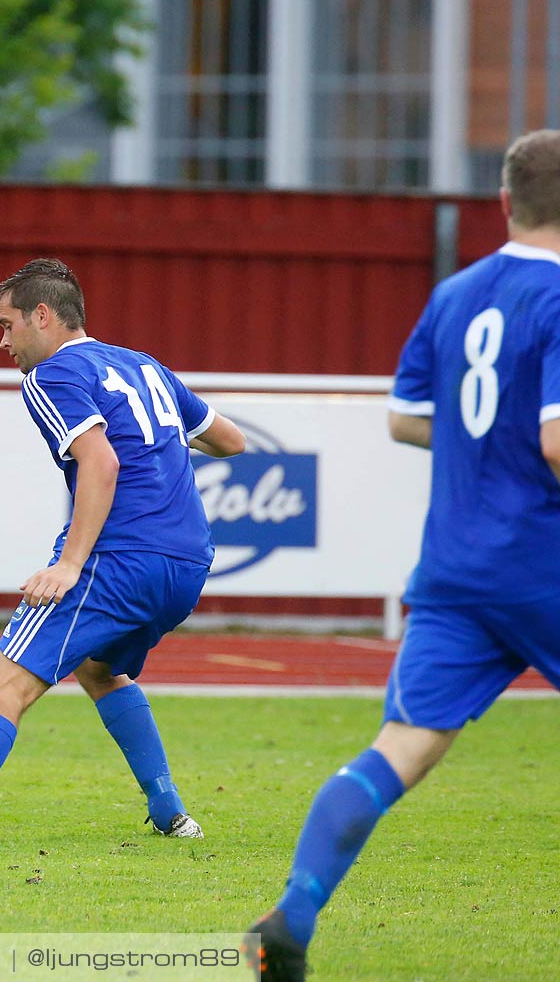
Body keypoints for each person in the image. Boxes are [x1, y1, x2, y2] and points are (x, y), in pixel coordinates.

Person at [247, 132, 560, 981]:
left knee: (403, 747)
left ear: (504, 202)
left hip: (455, 570)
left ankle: (293, 917)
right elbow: (558, 440)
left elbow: (403, 418)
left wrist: (483, 442)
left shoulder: (456, 294)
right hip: (544, 562)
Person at [0, 258, 246, 847]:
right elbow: (231, 440)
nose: (3, 341)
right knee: (100, 669)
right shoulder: (144, 365)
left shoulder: (50, 374)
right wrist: (165, 433)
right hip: (187, 563)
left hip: (117, 558)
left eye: (8, 324)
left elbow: (103, 461)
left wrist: (69, 564)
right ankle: (172, 813)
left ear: (42, 316)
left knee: (4, 683)